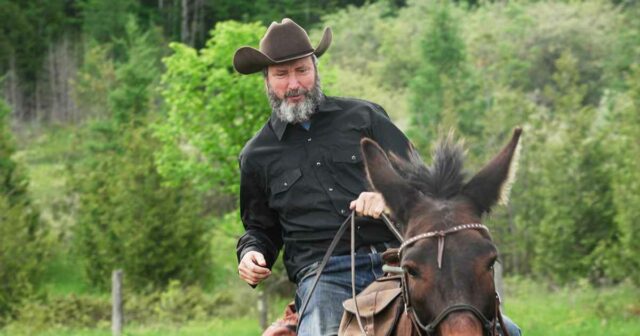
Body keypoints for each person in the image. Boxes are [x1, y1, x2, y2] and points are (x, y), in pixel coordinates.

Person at [233, 18, 521, 336]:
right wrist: (251, 253)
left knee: (507, 331)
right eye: (282, 74)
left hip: (400, 262)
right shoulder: (256, 155)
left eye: (302, 70)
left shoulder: (364, 117)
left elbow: (426, 188)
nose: (294, 84)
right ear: (267, 79)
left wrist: (388, 198)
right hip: (324, 275)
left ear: (315, 69)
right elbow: (260, 228)